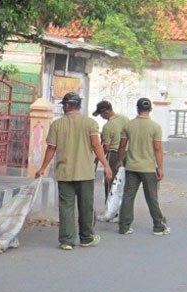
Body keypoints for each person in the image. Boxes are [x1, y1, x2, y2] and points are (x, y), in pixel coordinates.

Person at [35, 92, 112, 250]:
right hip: (85, 173)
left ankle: (66, 240)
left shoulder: (57, 124)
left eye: (64, 104)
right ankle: (86, 238)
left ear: (68, 105)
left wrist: (43, 168)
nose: (63, 107)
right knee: (86, 206)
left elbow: (51, 148)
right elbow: (96, 146)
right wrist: (106, 166)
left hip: (65, 173)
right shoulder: (90, 123)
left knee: (66, 206)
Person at [115, 97, 169, 236]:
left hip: (132, 167)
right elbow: (157, 149)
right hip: (148, 168)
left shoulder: (128, 125)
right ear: (150, 110)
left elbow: (122, 146)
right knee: (152, 197)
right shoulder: (155, 127)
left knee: (128, 196)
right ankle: (158, 226)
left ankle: (124, 227)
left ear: (137, 109)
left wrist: (120, 160)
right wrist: (160, 168)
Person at [93, 100, 130, 203]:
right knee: (123, 182)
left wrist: (98, 159)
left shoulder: (107, 127)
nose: (101, 117)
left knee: (110, 182)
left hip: (113, 155)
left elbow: (106, 147)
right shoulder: (125, 119)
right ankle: (120, 208)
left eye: (101, 114)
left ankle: (110, 208)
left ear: (105, 112)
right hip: (127, 154)